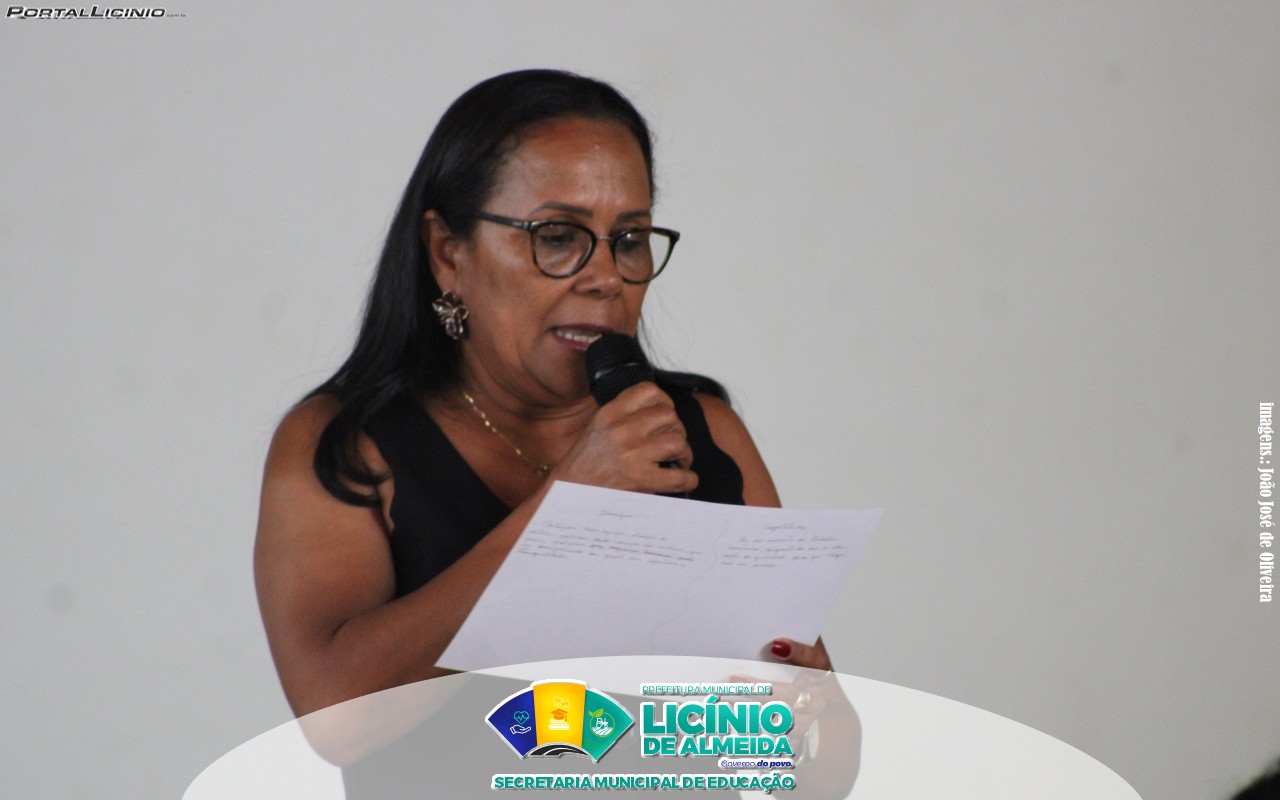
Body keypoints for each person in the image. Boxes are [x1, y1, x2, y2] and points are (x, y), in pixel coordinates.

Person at [254, 69, 856, 796]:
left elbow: (823, 769)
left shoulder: (705, 432)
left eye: (628, 239)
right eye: (559, 236)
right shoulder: (349, 445)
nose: (606, 277)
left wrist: (806, 723)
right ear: (447, 251)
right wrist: (566, 513)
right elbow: (338, 720)